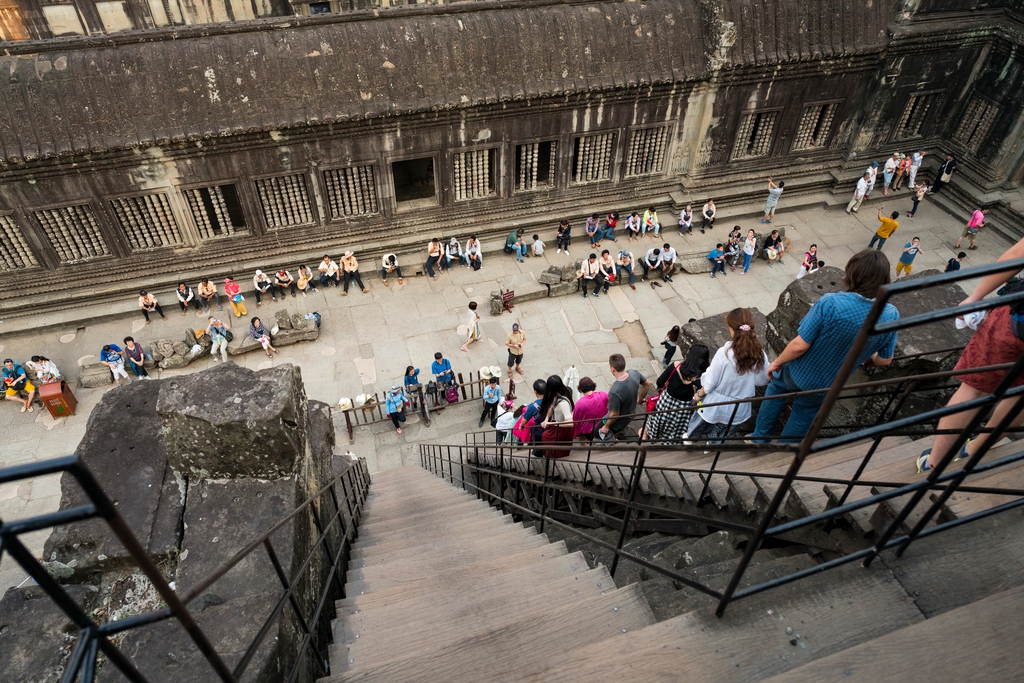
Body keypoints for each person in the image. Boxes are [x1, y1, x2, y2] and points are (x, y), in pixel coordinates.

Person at [750, 249, 899, 443]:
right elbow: (885, 360)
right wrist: (870, 356)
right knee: (804, 413)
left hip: (799, 370)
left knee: (776, 390)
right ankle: (784, 452)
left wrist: (777, 362)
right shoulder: (890, 314)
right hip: (829, 382)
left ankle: (759, 439)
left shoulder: (831, 303)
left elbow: (800, 345)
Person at [917, 236, 1024, 472]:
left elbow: (1017, 255)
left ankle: (934, 461)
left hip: (1017, 324)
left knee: (974, 388)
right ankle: (974, 449)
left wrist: (976, 297)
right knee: (1020, 396)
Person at [687, 309, 770, 443]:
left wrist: (699, 395)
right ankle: (712, 447)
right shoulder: (759, 354)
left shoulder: (724, 353)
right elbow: (762, 380)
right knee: (723, 433)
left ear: (732, 329)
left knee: (697, 426)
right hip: (739, 406)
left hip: (715, 403)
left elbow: (711, 382)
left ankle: (689, 442)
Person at [645, 344, 710, 443]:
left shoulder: (676, 366)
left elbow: (659, 382)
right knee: (676, 428)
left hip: (666, 403)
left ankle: (650, 437)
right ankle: (669, 443)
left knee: (657, 421)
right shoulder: (702, 378)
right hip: (683, 410)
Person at [598, 354, 652, 440]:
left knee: (596, 433)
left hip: (617, 421)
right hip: (630, 415)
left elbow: (614, 414)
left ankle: (612, 441)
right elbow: (648, 383)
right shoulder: (634, 373)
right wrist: (641, 398)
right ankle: (615, 438)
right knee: (618, 430)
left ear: (612, 369)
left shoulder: (614, 391)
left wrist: (606, 426)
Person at [537, 375, 576, 457]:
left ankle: (552, 457)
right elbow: (552, 407)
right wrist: (546, 419)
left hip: (563, 428)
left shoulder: (563, 403)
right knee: (545, 435)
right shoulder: (558, 395)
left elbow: (570, 423)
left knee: (545, 436)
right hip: (558, 425)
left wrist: (552, 424)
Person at [572, 377, 609, 441]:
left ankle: (586, 448)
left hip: (588, 433)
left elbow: (576, 421)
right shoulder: (604, 395)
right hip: (604, 426)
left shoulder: (578, 404)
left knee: (579, 437)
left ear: (580, 389)